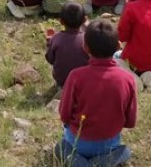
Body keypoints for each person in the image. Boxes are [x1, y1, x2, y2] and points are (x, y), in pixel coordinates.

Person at [55, 19, 137, 166]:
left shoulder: (76, 76)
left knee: (60, 147)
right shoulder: (128, 79)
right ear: (118, 46)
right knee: (125, 151)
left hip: (78, 143)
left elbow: (64, 115)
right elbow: (130, 121)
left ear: (85, 48)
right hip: (109, 144)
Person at [45, 1, 89, 88]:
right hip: (83, 81)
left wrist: (49, 45)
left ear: (61, 21)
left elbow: (50, 59)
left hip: (62, 81)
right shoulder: (88, 39)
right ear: (84, 20)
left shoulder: (56, 38)